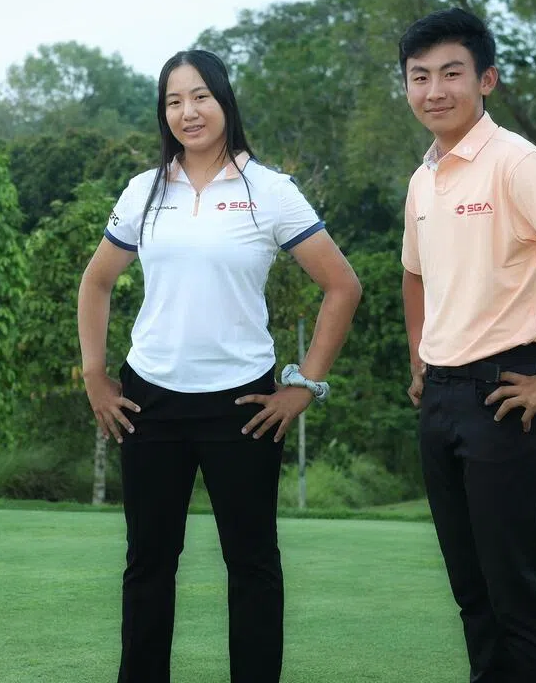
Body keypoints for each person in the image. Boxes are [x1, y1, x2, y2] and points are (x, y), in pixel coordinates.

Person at [77, 49, 362, 683]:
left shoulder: (270, 190)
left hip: (244, 404)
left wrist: (303, 385)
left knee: (252, 562)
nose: (188, 112)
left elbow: (342, 286)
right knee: (149, 562)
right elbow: (96, 283)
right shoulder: (145, 190)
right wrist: (96, 374)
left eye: (200, 96)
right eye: (174, 101)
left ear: (225, 101)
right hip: (150, 402)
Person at [399, 7, 536, 682]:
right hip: (441, 398)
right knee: (475, 599)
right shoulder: (423, 178)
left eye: (451, 74)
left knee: (519, 597)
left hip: (508, 396)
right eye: (419, 77)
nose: (434, 90)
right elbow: (413, 274)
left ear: (486, 79)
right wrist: (420, 359)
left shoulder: (516, 163)